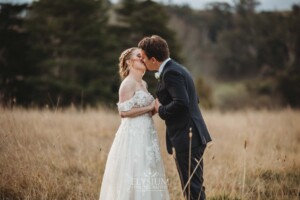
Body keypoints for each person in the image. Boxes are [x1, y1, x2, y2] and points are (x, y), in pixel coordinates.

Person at [138, 35, 212, 200]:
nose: (142, 61)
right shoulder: (177, 68)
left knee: (192, 187)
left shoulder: (171, 73)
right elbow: (192, 99)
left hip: (188, 137)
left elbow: (182, 103)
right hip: (190, 135)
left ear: (154, 59)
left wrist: (161, 109)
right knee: (192, 186)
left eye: (143, 57)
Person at [99, 47, 170, 200]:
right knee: (135, 169)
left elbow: (146, 111)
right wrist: (149, 107)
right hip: (133, 135)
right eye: (139, 56)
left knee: (148, 169)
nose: (143, 59)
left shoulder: (143, 84)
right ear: (129, 62)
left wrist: (157, 108)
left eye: (143, 56)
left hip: (147, 133)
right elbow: (123, 113)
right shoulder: (127, 84)